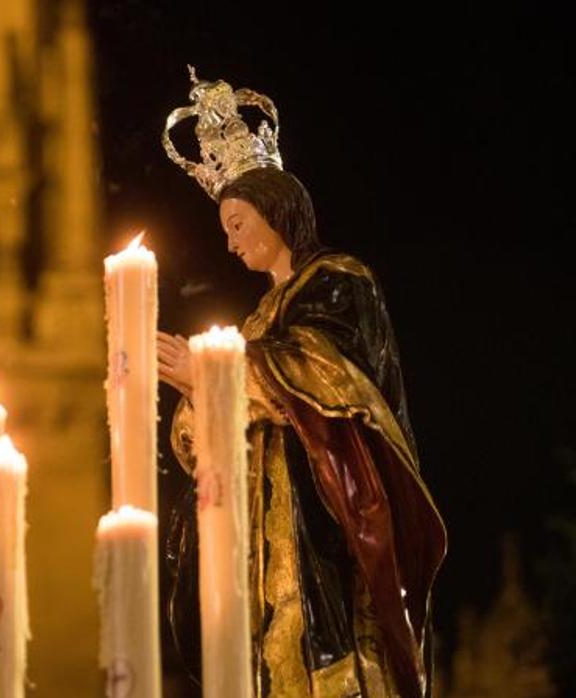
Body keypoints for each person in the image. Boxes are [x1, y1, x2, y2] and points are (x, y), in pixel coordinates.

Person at [158, 71, 446, 698]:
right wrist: (198, 390)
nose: (231, 245)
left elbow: (328, 381)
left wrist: (215, 375)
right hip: (267, 532)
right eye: (225, 231)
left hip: (323, 517)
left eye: (237, 224)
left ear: (275, 209)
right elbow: (224, 427)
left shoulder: (340, 283)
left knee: (332, 656)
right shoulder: (259, 320)